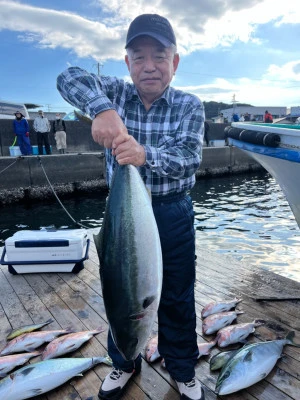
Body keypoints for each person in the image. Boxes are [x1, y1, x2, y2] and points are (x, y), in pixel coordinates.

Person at [57, 13, 205, 400]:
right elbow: (67, 77)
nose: (149, 66)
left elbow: (189, 158)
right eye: (138, 57)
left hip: (171, 210)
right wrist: (102, 110)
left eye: (159, 55)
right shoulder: (117, 94)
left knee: (175, 295)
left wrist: (142, 154)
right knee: (120, 291)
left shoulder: (190, 105)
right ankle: (124, 361)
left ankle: (182, 366)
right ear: (127, 63)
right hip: (123, 215)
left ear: (174, 62)